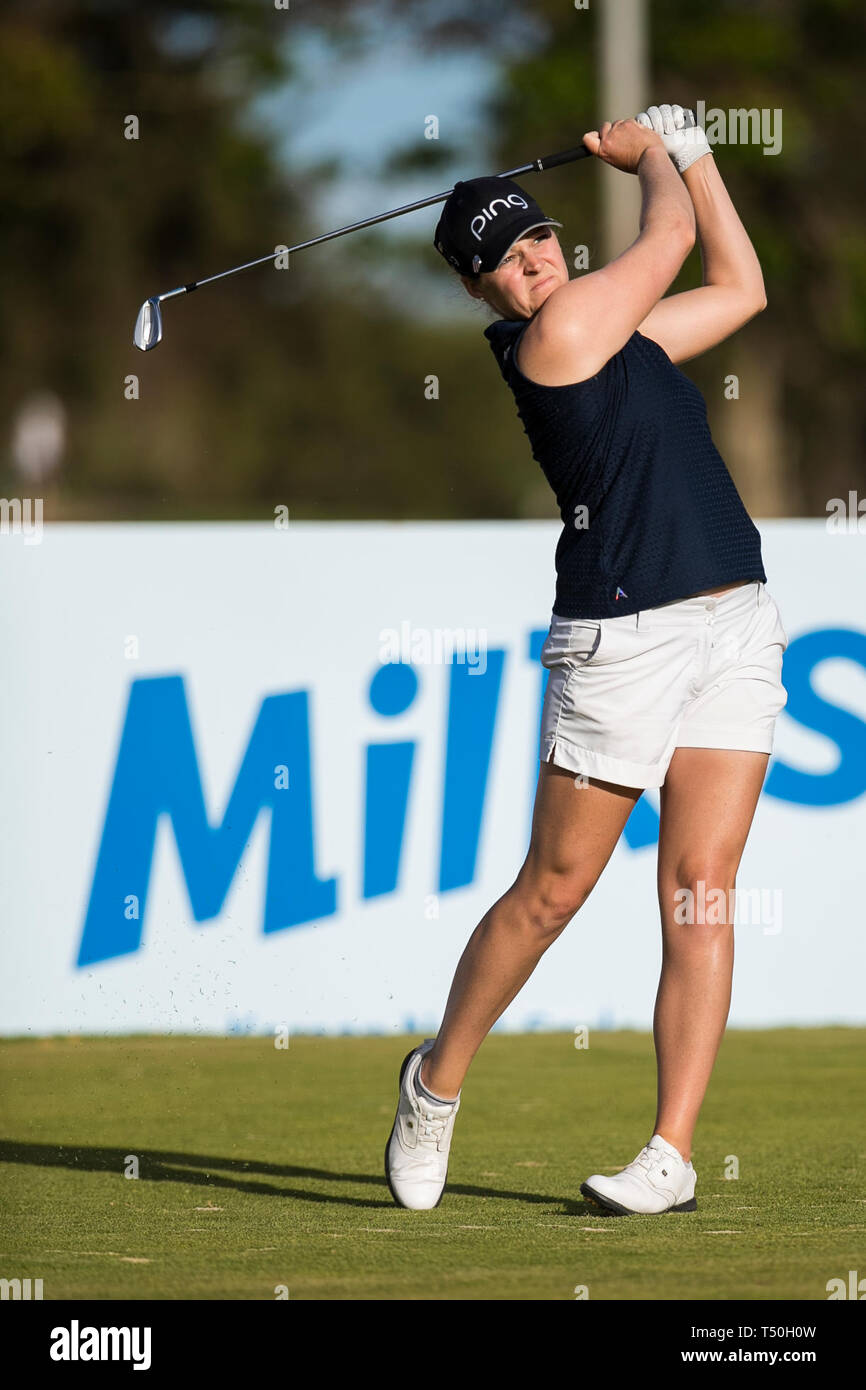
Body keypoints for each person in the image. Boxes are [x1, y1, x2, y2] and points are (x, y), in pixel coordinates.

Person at [385, 105, 789, 1216]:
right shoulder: (552, 344)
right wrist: (652, 155)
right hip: (622, 638)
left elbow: (741, 284)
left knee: (700, 893)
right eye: (505, 265)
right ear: (484, 295)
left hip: (734, 625)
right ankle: (434, 1082)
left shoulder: (634, 339)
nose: (532, 264)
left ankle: (669, 1151)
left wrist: (700, 156)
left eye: (538, 240)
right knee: (552, 891)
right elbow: (662, 245)